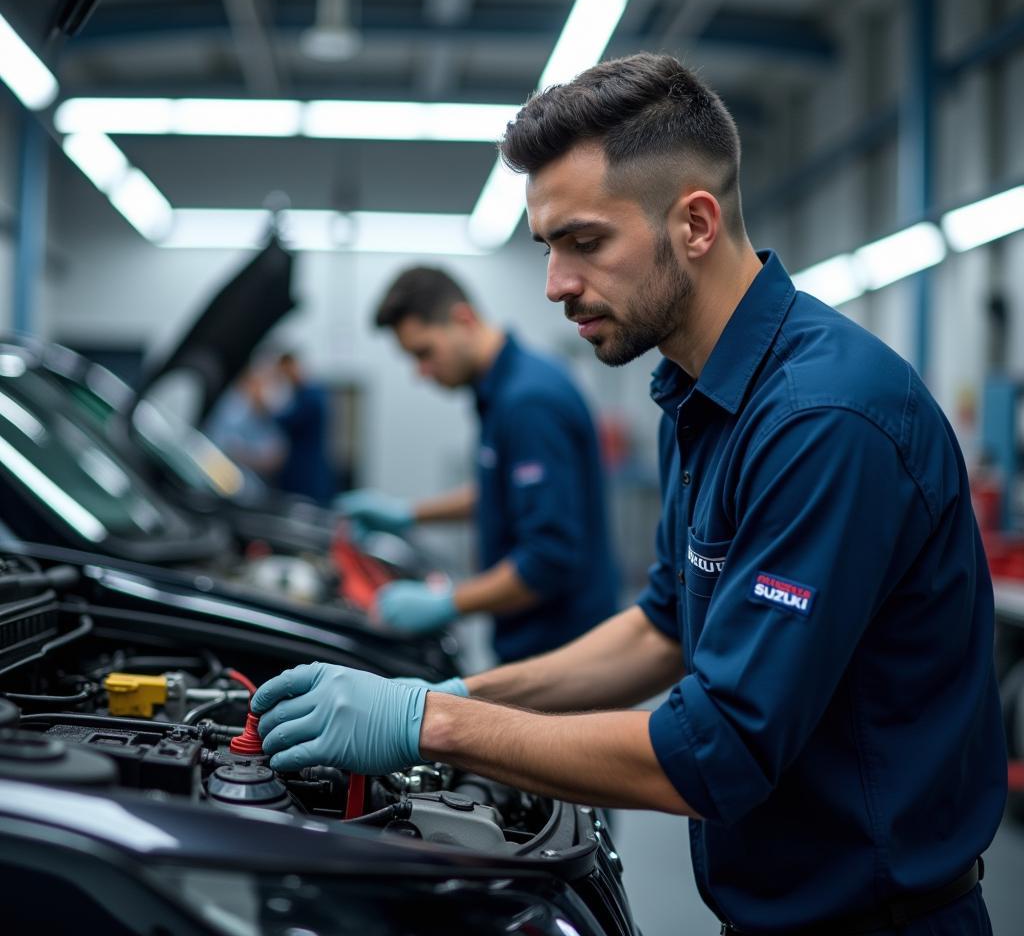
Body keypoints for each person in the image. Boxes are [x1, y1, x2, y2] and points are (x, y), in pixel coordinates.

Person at [252, 54, 1007, 934]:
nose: (555, 285)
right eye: (547, 247)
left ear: (694, 223)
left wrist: (434, 724)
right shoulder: (694, 392)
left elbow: (713, 753)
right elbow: (659, 630)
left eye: (585, 242)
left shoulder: (823, 420)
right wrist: (472, 694)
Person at [338, 266, 619, 663]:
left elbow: (548, 560)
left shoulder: (528, 402)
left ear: (463, 320)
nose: (421, 373)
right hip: (539, 640)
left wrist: (448, 601)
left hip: (563, 652)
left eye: (424, 353)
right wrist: (406, 514)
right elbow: (502, 493)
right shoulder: (503, 388)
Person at [264, 352, 334, 504]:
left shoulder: (311, 395)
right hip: (302, 467)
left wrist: (265, 407)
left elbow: (290, 420)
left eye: (284, 372)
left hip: (307, 470)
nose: (285, 378)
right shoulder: (303, 393)